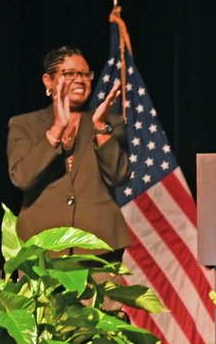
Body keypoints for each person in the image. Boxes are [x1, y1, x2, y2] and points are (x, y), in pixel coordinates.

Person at [7, 47, 128, 251]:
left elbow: (118, 176)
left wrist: (100, 127)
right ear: (48, 81)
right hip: (41, 245)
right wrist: (57, 128)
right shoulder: (24, 125)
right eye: (70, 73)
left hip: (98, 245)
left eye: (85, 74)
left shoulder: (111, 123)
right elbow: (23, 178)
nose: (80, 80)